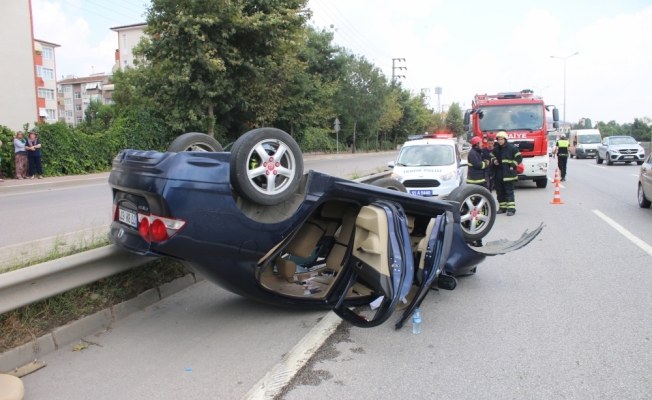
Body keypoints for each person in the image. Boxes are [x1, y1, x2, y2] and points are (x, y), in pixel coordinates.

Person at [491, 131, 522, 216]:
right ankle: (502, 208)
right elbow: (491, 156)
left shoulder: (512, 148)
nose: (500, 141)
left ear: (505, 139)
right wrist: (494, 160)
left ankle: (511, 209)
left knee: (509, 192)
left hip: (508, 174)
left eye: (501, 139)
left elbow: (519, 158)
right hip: (499, 174)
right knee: (500, 192)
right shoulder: (496, 149)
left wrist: (513, 165)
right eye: (498, 139)